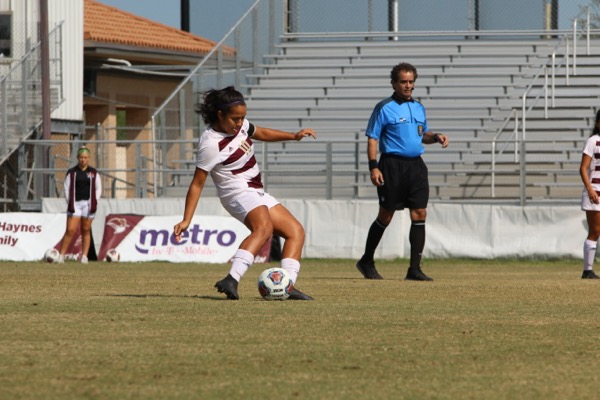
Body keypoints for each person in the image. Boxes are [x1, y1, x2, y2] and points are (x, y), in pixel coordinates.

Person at [173, 86, 316, 300]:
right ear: (220, 115)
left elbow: (262, 133)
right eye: (235, 118)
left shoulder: (239, 127)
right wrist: (186, 219)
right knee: (264, 228)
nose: (240, 123)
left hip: (256, 191)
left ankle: (287, 285)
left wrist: (293, 136)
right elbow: (197, 184)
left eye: (243, 118)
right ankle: (231, 279)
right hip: (236, 192)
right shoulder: (211, 144)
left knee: (296, 231)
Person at [355, 62, 449, 281]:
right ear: (394, 83)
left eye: (411, 82)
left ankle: (414, 269)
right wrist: (373, 166)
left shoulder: (418, 107)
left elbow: (422, 134)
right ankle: (366, 260)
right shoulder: (384, 107)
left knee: (420, 213)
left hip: (416, 166)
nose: (408, 86)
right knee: (386, 215)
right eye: (403, 82)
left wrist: (435, 136)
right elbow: (373, 138)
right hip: (392, 166)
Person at [58, 146, 102, 264]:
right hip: (75, 204)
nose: (83, 160)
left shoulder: (93, 172)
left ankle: (84, 256)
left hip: (88, 204)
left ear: (89, 159)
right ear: (78, 158)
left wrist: (94, 200)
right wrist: (70, 202)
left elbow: (98, 188)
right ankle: (61, 256)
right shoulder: (72, 172)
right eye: (81, 157)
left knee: (86, 229)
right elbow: (67, 188)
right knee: (70, 230)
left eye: (85, 158)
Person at [578, 109, 600, 279]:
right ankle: (587, 270)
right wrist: (590, 189)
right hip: (595, 193)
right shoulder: (593, 141)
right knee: (595, 231)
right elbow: (583, 168)